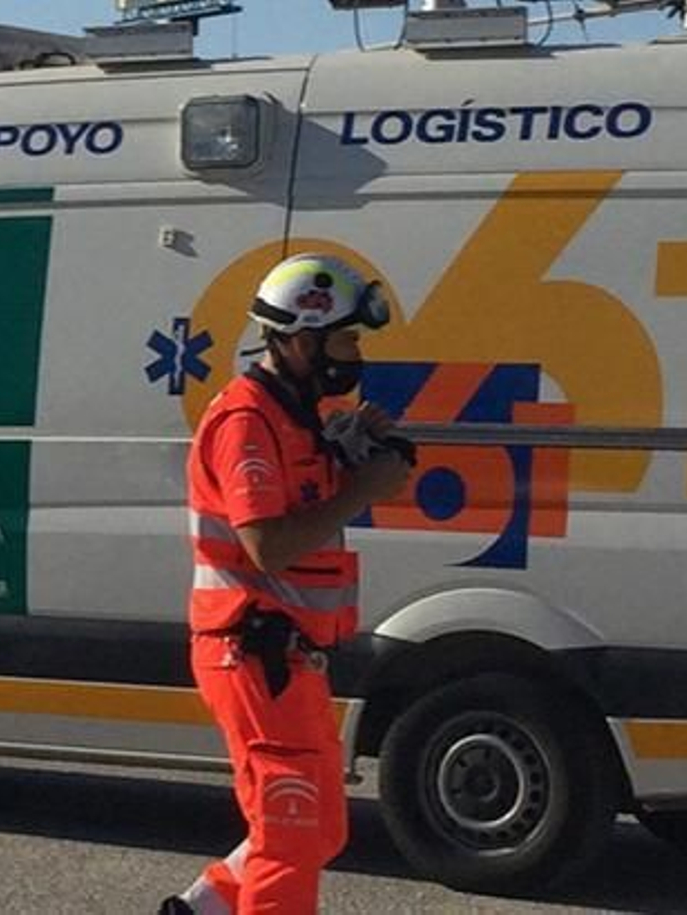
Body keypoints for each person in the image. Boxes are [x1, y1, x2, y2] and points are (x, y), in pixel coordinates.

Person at [162, 254, 413, 914]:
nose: (355, 354)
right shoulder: (247, 421)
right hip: (252, 650)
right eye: (346, 339)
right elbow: (267, 544)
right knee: (290, 838)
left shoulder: (298, 415)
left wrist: (354, 450)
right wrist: (362, 488)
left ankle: (202, 909)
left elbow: (303, 504)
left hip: (288, 655)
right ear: (302, 341)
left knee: (319, 828)